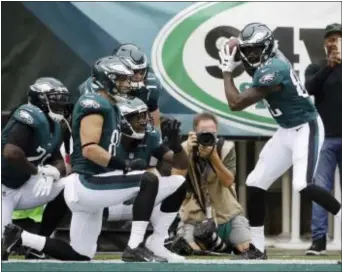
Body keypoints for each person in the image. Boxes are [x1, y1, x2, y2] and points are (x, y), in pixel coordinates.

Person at [2, 56, 165, 262]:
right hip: (80, 182)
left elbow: (57, 158)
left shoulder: (59, 123)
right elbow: (88, 149)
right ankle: (134, 246)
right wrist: (124, 164)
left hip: (48, 186)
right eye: (121, 79)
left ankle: (25, 239)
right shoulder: (91, 103)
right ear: (106, 79)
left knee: (81, 258)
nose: (127, 83)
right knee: (148, 180)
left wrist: (53, 171)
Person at [218, 22, 342, 259]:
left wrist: (226, 70)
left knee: (302, 185)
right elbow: (250, 63)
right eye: (247, 50)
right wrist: (238, 57)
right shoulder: (267, 59)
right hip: (286, 130)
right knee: (255, 182)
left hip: (306, 127)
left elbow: (235, 103)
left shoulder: (274, 68)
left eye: (255, 50)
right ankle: (257, 247)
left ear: (266, 48)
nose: (250, 55)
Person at [103, 97, 188, 261]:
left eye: (144, 116)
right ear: (123, 120)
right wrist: (125, 166)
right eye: (138, 117)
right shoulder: (106, 137)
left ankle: (154, 242)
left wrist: (177, 147)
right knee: (83, 251)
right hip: (105, 203)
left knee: (178, 183)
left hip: (139, 201)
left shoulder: (149, 137)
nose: (143, 121)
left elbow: (181, 164)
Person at [1, 77, 70, 258]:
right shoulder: (27, 118)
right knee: (2, 247)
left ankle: (38, 244)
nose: (60, 104)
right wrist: (37, 171)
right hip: (3, 188)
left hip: (21, 187)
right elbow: (11, 153)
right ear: (40, 99)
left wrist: (53, 172)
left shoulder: (54, 125)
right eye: (55, 99)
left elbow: (60, 161)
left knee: (70, 185)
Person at [176, 112, 255, 258]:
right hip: (195, 216)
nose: (208, 137)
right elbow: (175, 179)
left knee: (246, 249)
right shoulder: (184, 148)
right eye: (203, 133)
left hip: (227, 214)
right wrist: (185, 151)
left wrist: (214, 157)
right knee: (190, 250)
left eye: (212, 133)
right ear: (194, 133)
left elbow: (228, 181)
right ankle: (218, 246)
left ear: (217, 132)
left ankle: (222, 245)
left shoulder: (225, 148)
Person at [304, 23, 342, 255]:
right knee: (320, 191)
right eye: (330, 39)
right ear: (324, 44)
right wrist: (328, 67)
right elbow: (309, 88)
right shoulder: (315, 66)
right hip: (324, 140)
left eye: (338, 39)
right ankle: (319, 241)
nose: (334, 42)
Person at [79, 43, 161, 127]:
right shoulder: (98, 85)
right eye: (134, 71)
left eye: (142, 72)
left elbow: (154, 126)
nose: (138, 76)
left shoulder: (150, 86)